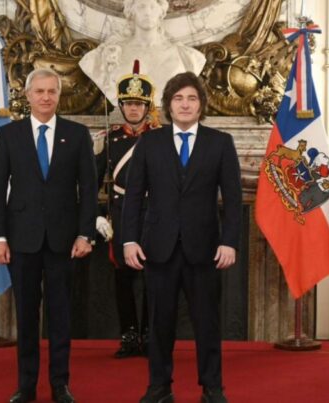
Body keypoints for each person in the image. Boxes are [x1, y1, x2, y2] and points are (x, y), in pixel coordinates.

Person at [122, 72, 242, 403]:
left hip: (205, 250)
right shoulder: (149, 142)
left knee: (207, 324)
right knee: (159, 324)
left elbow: (232, 199)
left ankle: (212, 388)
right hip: (157, 249)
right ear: (169, 105)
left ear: (201, 105)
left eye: (191, 98)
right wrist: (129, 240)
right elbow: (133, 196)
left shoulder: (220, 142)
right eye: (178, 99)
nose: (185, 104)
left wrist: (229, 241)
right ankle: (159, 387)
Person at [0, 67, 98, 403]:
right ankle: (26, 386)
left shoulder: (77, 135)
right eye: (40, 92)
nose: (46, 97)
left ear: (58, 95)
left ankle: (60, 384)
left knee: (61, 315)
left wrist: (85, 234)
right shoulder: (9, 135)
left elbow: (89, 190)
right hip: (21, 240)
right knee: (26, 316)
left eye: (52, 91)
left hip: (64, 242)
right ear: (28, 95)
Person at [95, 60, 160, 358]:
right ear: (121, 106)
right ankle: (129, 335)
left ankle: (149, 334)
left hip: (154, 214)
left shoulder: (162, 139)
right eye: (128, 104)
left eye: (138, 104)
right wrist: (96, 216)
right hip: (121, 215)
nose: (133, 109)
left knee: (153, 278)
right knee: (123, 278)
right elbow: (92, 182)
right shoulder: (108, 141)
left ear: (148, 107)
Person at [78, 0, 206, 107]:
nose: (147, 12)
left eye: (152, 7)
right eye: (141, 7)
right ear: (131, 12)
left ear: (161, 11)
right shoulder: (108, 54)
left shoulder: (187, 56)